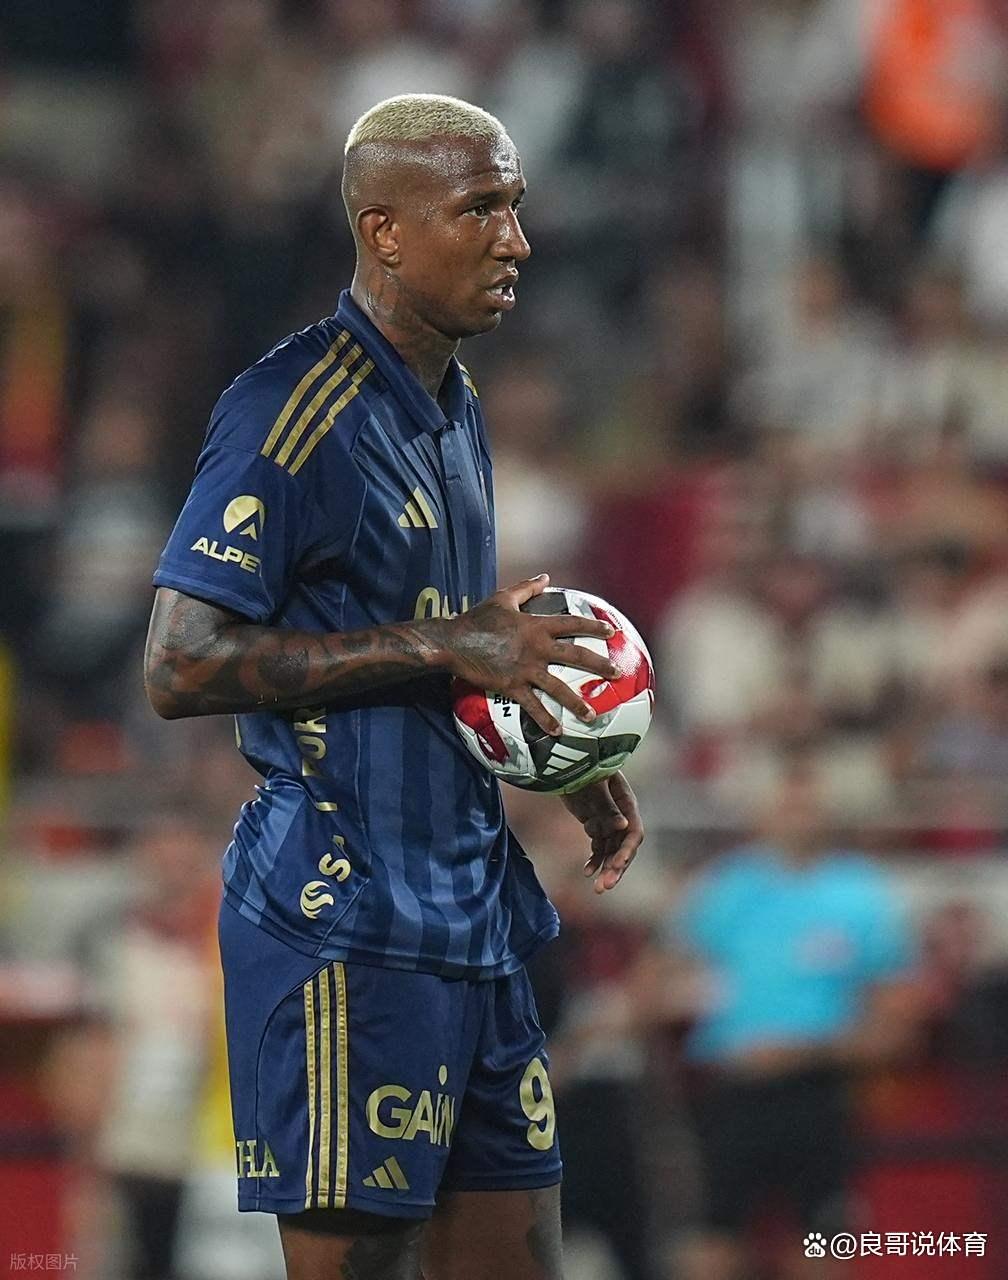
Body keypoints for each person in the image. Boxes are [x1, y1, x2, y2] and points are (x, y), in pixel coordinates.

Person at [143, 93, 644, 1280]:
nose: (516, 240)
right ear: (386, 231)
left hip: (474, 912)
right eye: (481, 210)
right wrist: (448, 644)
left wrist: (559, 748)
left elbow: (455, 650)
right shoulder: (288, 408)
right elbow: (180, 661)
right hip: (343, 922)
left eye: (515, 207)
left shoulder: (455, 406)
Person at [659, 763, 919, 1280]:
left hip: (818, 1093)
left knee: (820, 1248)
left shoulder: (860, 895)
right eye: (786, 804)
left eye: (807, 805)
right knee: (710, 1246)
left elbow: (896, 1023)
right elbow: (666, 976)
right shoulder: (727, 889)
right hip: (730, 1092)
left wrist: (804, 1051)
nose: (796, 817)